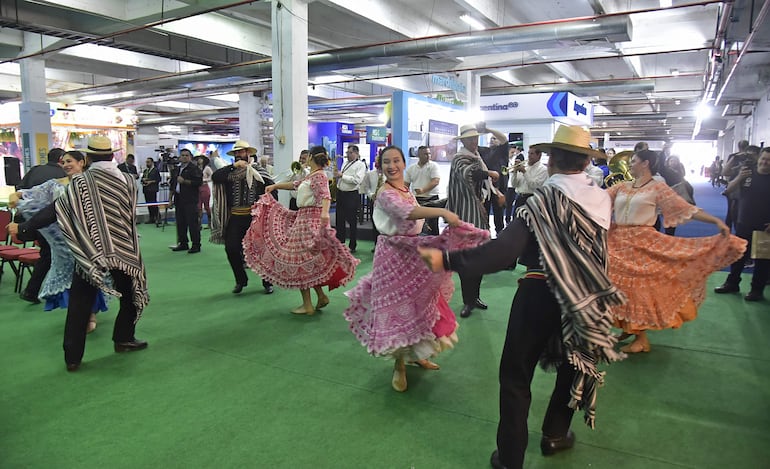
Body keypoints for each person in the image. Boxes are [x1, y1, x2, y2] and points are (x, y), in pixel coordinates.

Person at [419, 125, 626, 469]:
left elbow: (503, 253)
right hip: (585, 299)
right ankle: (556, 435)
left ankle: (511, 457)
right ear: (587, 160)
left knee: (516, 377)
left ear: (552, 159)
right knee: (572, 366)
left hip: (540, 292)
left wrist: (447, 259)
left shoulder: (543, 200)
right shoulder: (601, 197)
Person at [344, 145, 488, 392]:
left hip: (413, 252)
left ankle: (418, 354)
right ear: (381, 165)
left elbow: (415, 213)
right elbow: (409, 212)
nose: (392, 166)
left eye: (396, 161)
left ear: (403, 162)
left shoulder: (405, 189)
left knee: (419, 303)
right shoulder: (385, 193)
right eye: (387, 162)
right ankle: (399, 365)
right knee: (398, 307)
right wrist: (444, 212)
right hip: (392, 256)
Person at [12, 136, 149, 372]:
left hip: (90, 251)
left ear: (88, 159)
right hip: (123, 248)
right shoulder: (127, 179)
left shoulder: (80, 182)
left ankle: (73, 358)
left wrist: (25, 227)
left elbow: (57, 209)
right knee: (131, 294)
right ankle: (123, 338)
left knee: (80, 303)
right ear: (112, 156)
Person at [607, 150, 746, 353]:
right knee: (616, 286)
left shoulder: (657, 188)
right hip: (616, 241)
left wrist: (716, 221)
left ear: (646, 163)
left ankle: (642, 338)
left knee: (638, 289)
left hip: (641, 242)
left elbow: (685, 208)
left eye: (634, 161)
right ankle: (629, 327)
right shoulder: (622, 187)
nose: (630, 164)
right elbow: (598, 200)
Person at [243, 146, 359, 314]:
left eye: (307, 155)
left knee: (299, 262)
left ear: (311, 157)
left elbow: (325, 196)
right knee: (307, 262)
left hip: (309, 220)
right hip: (304, 219)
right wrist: (275, 186)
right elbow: (295, 184)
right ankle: (320, 297)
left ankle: (307, 305)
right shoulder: (312, 175)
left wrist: (325, 215)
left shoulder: (318, 175)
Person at [9, 151, 109, 332]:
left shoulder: (93, 184)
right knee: (72, 279)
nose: (66, 165)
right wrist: (17, 196)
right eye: (63, 162)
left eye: (70, 161)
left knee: (90, 276)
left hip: (88, 240)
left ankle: (90, 314)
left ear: (81, 162)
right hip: (64, 244)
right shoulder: (55, 185)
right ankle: (80, 314)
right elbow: (33, 194)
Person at [446, 124, 499, 318]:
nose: (474, 142)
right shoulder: (461, 158)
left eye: (475, 138)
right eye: (470, 139)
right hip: (465, 215)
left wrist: (493, 191)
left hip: (478, 213)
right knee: (466, 259)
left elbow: (480, 181)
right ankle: (468, 300)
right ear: (464, 142)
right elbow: (469, 174)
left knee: (479, 258)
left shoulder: (477, 157)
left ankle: (474, 297)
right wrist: (490, 174)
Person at [210, 139, 275, 295]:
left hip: (255, 218)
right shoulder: (229, 171)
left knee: (262, 250)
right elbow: (215, 177)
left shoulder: (259, 170)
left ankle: (267, 282)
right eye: (237, 152)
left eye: (242, 152)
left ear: (248, 153)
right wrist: (233, 166)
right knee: (231, 248)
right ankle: (241, 280)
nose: (239, 154)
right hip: (236, 217)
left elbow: (270, 188)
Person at [714, 147, 770, 301]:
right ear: (759, 158)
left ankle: (756, 290)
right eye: (763, 158)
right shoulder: (747, 173)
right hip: (744, 221)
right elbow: (727, 190)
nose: (765, 162)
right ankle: (732, 283)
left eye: (769, 160)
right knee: (738, 255)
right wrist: (739, 177)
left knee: (762, 260)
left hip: (764, 226)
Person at [15, 147, 66, 303]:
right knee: (51, 254)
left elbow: (19, 189)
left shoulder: (35, 170)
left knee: (46, 253)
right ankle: (34, 290)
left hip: (29, 220)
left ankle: (33, 290)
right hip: (51, 223)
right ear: (61, 160)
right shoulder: (63, 176)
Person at [333, 145, 366, 253]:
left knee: (352, 221)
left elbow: (357, 180)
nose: (347, 154)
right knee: (339, 220)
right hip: (341, 194)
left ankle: (352, 245)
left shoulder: (360, 165)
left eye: (350, 152)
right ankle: (340, 243)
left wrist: (342, 175)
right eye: (347, 152)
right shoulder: (345, 163)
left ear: (356, 153)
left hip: (351, 195)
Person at [169, 148, 203, 253]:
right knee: (180, 223)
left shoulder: (194, 169)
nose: (184, 157)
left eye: (186, 155)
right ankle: (183, 243)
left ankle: (196, 245)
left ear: (190, 157)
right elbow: (173, 185)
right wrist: (170, 199)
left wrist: (185, 181)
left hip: (190, 200)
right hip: (179, 199)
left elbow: (198, 182)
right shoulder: (176, 169)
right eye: (182, 155)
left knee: (193, 223)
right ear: (180, 157)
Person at [404, 145, 440, 235]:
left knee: (432, 225)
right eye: (425, 154)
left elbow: (435, 181)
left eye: (429, 154)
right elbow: (405, 185)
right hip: (417, 200)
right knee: (419, 226)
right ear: (418, 155)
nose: (428, 156)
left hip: (432, 199)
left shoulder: (434, 166)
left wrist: (423, 190)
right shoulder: (411, 168)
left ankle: (436, 246)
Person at [479, 131, 510, 235]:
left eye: (495, 138)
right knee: (484, 215)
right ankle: (485, 237)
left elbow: (504, 139)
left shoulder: (503, 151)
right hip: (485, 189)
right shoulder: (484, 151)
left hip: (499, 189)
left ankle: (500, 237)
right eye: (491, 138)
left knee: (499, 216)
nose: (492, 140)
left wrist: (488, 129)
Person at [141, 157, 161, 224]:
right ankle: (151, 218)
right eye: (146, 162)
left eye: (148, 162)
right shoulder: (145, 171)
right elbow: (142, 179)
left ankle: (158, 218)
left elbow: (158, 179)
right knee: (149, 205)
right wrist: (143, 180)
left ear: (152, 162)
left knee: (154, 204)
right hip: (146, 189)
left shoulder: (155, 170)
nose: (147, 163)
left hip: (152, 189)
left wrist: (151, 182)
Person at [196, 155, 213, 229]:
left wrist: (205, 180)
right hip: (197, 188)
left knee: (206, 206)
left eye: (201, 159)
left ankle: (210, 223)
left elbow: (212, 176)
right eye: (198, 159)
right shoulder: (195, 168)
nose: (199, 160)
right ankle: (199, 224)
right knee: (198, 206)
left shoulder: (207, 168)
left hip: (205, 187)